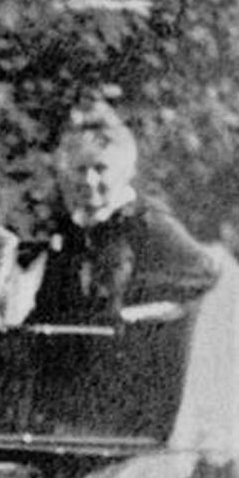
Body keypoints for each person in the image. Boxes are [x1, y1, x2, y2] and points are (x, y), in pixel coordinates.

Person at [29, 107, 219, 325]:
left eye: (101, 168)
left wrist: (132, 305)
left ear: (124, 171)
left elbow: (204, 272)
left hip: (131, 347)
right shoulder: (72, 228)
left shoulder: (145, 221)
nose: (89, 180)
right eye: (81, 169)